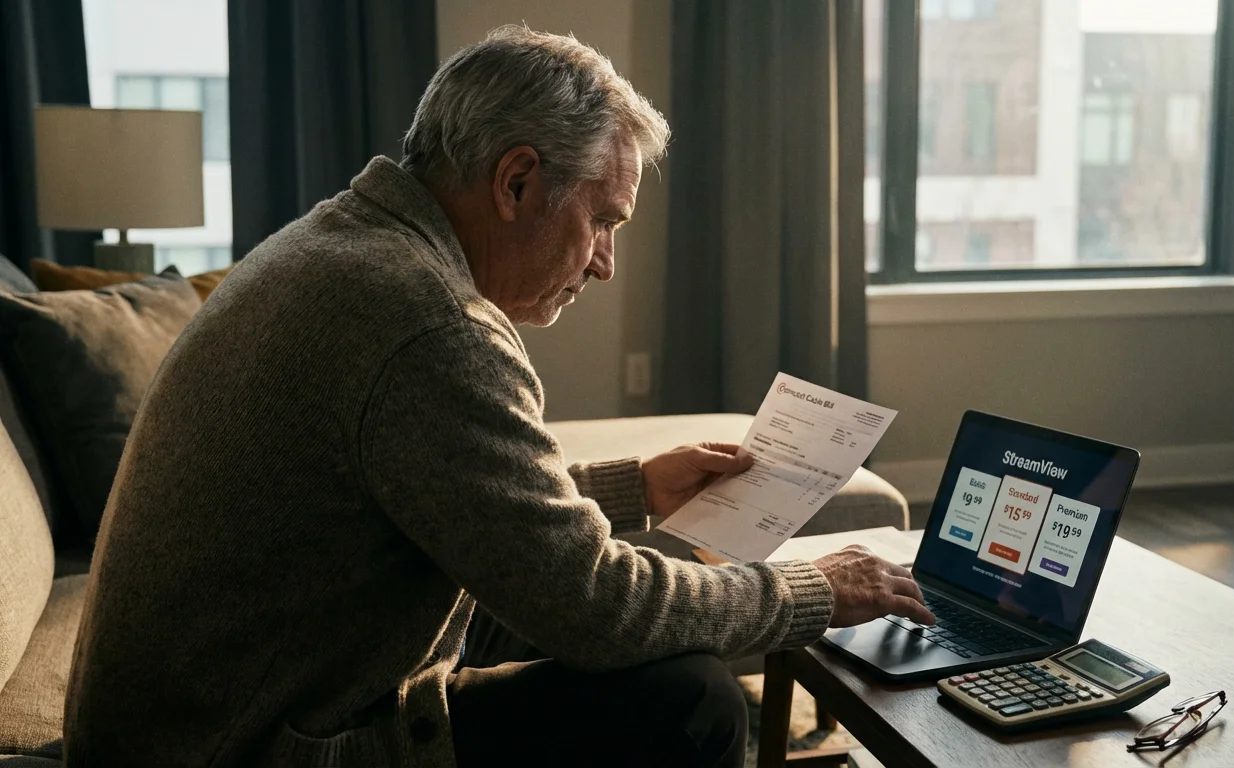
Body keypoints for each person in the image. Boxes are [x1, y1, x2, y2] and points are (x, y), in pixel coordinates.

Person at [63, 26, 936, 767]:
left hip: (195, 717)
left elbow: (442, 493)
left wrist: (634, 486)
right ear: (517, 182)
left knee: (613, 615)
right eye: (603, 221)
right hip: (243, 749)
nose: (604, 261)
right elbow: (600, 609)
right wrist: (811, 589)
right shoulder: (429, 324)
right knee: (689, 697)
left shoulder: (345, 243)